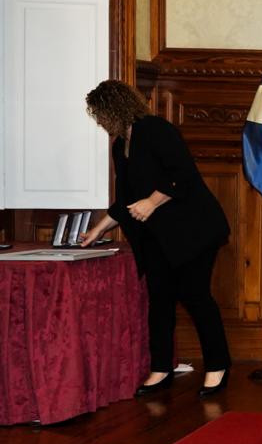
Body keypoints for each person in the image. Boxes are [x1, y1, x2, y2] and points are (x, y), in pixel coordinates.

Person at [82, 80, 232, 398]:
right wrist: (98, 229)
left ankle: (218, 365)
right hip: (158, 237)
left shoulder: (155, 129)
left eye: (100, 113)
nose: (99, 120)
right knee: (160, 300)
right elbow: (125, 200)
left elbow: (183, 175)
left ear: (114, 109)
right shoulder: (120, 146)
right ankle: (161, 368)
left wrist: (151, 201)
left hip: (194, 230)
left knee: (195, 296)